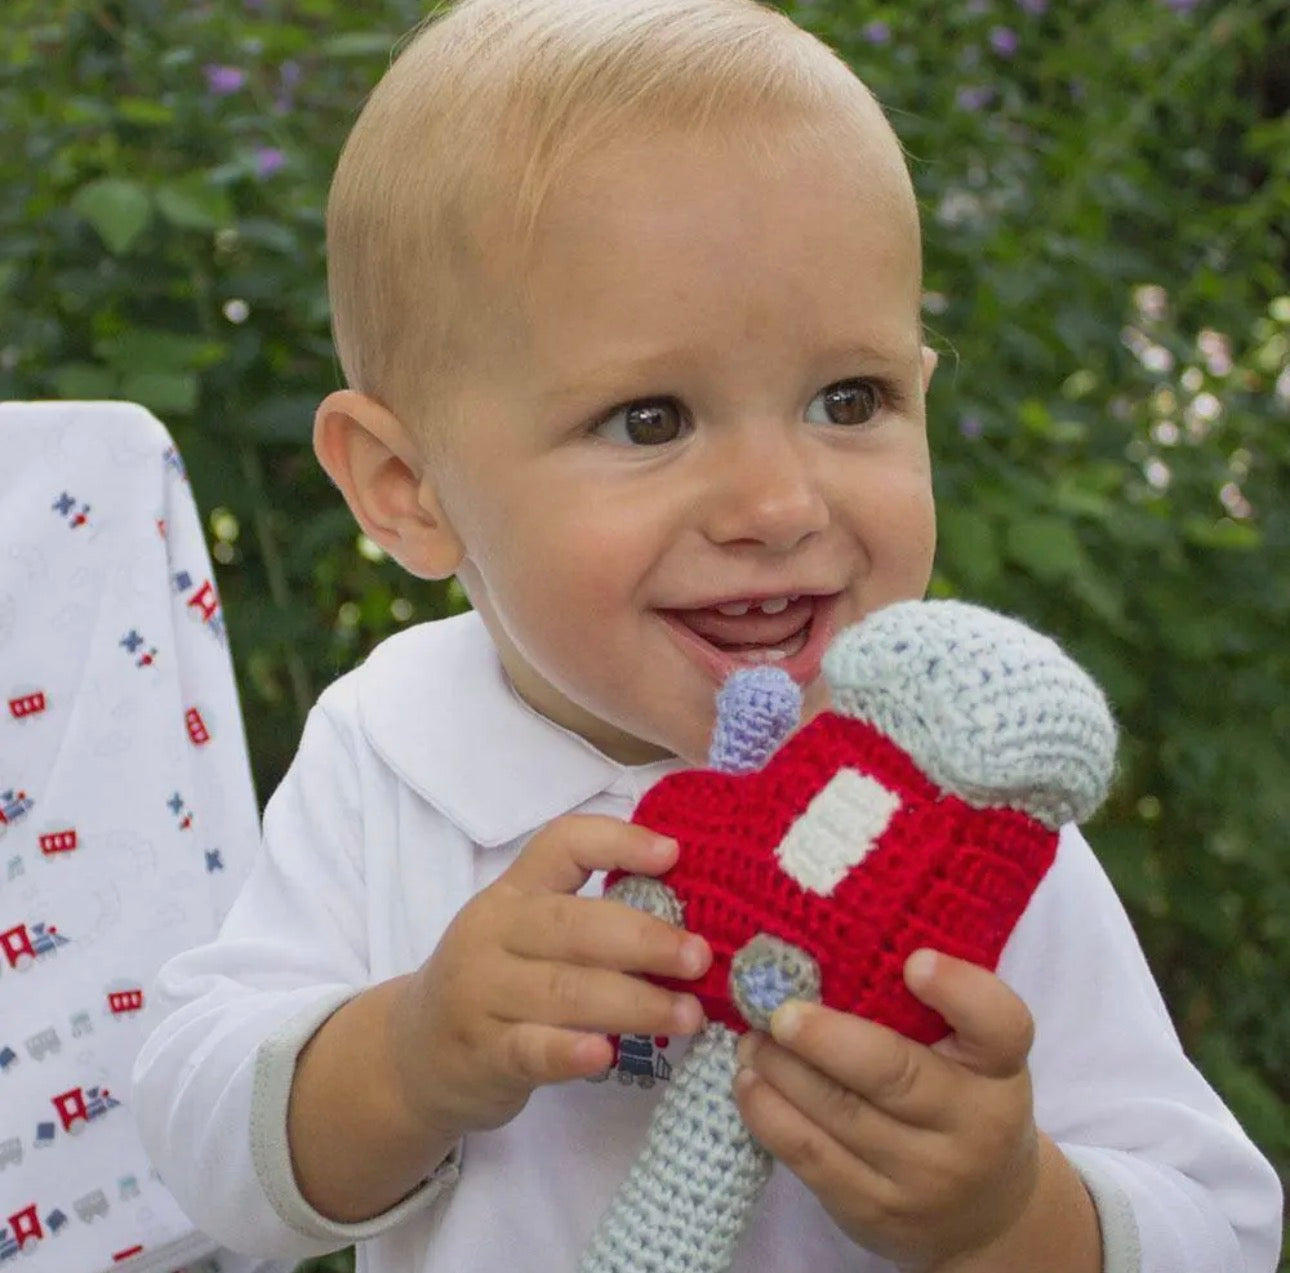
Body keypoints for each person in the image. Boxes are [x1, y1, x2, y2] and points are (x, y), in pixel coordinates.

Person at [130, 1, 1283, 1270]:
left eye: (851, 399)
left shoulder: (958, 800)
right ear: (409, 486)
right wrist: (408, 1056)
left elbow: (1220, 1225)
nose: (780, 506)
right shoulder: (393, 755)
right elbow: (195, 1148)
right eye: (649, 419)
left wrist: (1012, 1214)